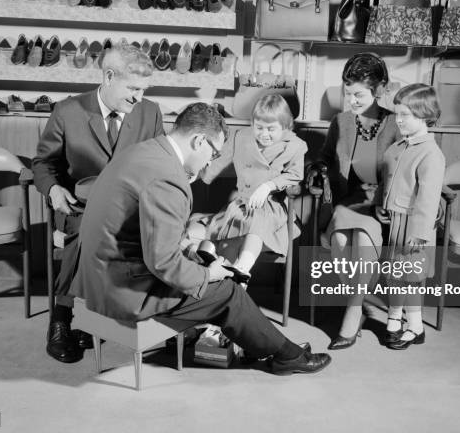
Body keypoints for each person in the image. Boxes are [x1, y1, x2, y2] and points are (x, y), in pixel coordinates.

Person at [70, 102, 331, 375]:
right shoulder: (170, 179)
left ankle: (267, 345)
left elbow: (143, 232)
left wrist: (191, 251)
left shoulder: (144, 152)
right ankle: (287, 356)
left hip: (96, 275)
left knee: (208, 262)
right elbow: (163, 262)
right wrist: (209, 275)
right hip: (125, 291)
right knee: (228, 292)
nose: (210, 162)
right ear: (198, 141)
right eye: (213, 153)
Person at [32, 40, 164, 363]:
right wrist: (52, 189)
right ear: (108, 77)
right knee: (84, 230)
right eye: (133, 88)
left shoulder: (150, 112)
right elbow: (43, 164)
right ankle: (61, 320)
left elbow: (160, 163)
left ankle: (148, 318)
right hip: (82, 206)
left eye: (144, 89)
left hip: (132, 209)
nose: (139, 97)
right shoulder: (67, 112)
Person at [314, 52, 401, 350]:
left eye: (359, 94)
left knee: (364, 241)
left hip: (382, 205)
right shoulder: (341, 121)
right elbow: (325, 158)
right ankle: (362, 301)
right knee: (339, 241)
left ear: (379, 90)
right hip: (347, 202)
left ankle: (353, 311)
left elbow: (411, 168)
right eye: (347, 92)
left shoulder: (397, 123)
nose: (351, 100)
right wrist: (318, 169)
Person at [187, 94, 307, 281]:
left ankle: (242, 267)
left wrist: (268, 186)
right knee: (234, 221)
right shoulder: (241, 137)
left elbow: (296, 175)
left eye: (271, 129)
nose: (264, 134)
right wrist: (196, 172)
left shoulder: (296, 146)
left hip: (272, 208)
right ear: (252, 123)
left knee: (256, 223)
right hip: (242, 203)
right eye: (259, 128)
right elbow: (218, 161)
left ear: (285, 126)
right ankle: (220, 266)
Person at [381, 84, 445, 350]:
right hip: (397, 221)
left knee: (410, 278)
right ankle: (400, 321)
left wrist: (419, 233)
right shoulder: (401, 145)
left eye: (405, 114)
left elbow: (429, 199)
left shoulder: (430, 152)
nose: (398, 119)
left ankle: (411, 326)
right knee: (397, 276)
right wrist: (383, 204)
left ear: (424, 114)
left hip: (414, 227)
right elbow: (391, 179)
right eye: (397, 114)